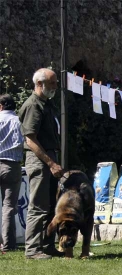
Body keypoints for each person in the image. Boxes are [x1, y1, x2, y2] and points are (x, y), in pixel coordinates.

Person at [18, 68, 64, 259]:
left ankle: (47, 246)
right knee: (38, 206)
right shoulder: (33, 106)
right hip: (39, 160)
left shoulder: (46, 104)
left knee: (51, 205)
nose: (55, 87)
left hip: (49, 158)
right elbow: (30, 139)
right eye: (52, 83)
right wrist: (51, 163)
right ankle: (33, 249)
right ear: (39, 84)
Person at [0, 94, 24, 252]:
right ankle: (8, 244)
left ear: (1, 106)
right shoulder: (19, 121)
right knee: (9, 206)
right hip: (12, 165)